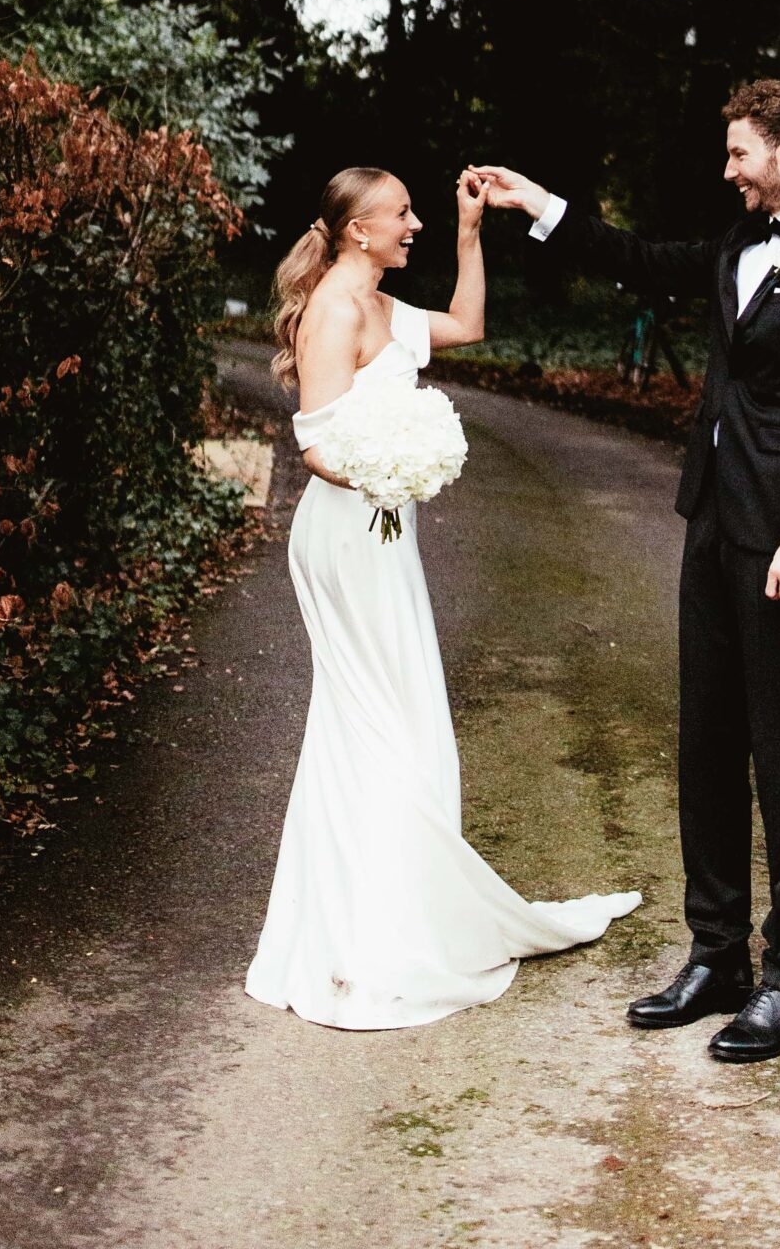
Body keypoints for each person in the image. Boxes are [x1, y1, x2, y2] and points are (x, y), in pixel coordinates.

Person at [475, 78, 780, 1062]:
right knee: (706, 739)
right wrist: (539, 204)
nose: (728, 170)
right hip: (711, 522)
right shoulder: (733, 245)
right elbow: (641, 259)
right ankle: (718, 953)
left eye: (740, 152)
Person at [244, 162, 639, 1030]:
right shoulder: (335, 310)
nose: (412, 223)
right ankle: (364, 939)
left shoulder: (383, 306)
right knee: (375, 721)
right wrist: (397, 469)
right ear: (357, 230)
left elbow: (468, 322)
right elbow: (313, 446)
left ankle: (388, 911)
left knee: (399, 722)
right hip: (348, 535)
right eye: (402, 214)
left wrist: (470, 232)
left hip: (385, 533)